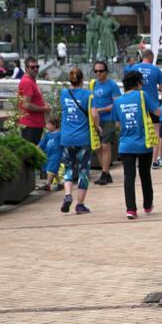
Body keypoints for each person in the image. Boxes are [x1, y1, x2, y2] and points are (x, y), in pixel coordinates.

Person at [115, 70, 160, 219]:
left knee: (129, 176)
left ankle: (131, 210)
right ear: (138, 83)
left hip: (125, 144)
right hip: (143, 143)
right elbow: (158, 112)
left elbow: (117, 124)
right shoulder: (142, 95)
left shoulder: (118, 101)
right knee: (145, 174)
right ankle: (147, 205)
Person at [60, 67, 99, 214]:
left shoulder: (64, 93)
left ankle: (67, 195)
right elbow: (94, 115)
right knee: (83, 170)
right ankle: (80, 205)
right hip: (83, 138)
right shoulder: (88, 95)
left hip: (66, 138)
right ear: (82, 80)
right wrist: (98, 127)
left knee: (68, 168)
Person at [128, 49, 162, 166]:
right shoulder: (156, 70)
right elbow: (161, 88)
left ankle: (137, 160)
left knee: (137, 130)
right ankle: (154, 161)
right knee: (155, 132)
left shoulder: (133, 68)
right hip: (153, 105)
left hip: (136, 104)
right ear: (151, 57)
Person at [90, 61, 121, 185]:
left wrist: (101, 110)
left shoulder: (112, 85)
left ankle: (104, 173)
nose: (98, 73)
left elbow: (116, 103)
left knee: (105, 146)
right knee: (97, 147)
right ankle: (106, 172)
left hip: (108, 118)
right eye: (96, 71)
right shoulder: (93, 85)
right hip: (96, 119)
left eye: (101, 71)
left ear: (106, 72)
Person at [18, 57, 50, 145]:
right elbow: (26, 104)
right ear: (26, 69)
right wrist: (44, 109)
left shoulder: (31, 80)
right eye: (32, 67)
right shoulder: (27, 82)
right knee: (31, 156)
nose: (35, 69)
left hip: (34, 125)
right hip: (30, 126)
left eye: (37, 66)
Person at [37, 115, 63, 191]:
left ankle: (48, 184)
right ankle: (60, 183)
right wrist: (36, 147)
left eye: (48, 124)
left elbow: (64, 143)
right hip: (48, 154)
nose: (46, 126)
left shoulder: (59, 134)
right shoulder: (47, 135)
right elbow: (42, 144)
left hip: (56, 155)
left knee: (50, 170)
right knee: (54, 171)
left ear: (54, 125)